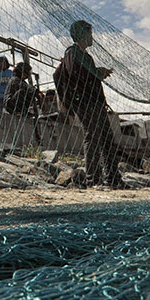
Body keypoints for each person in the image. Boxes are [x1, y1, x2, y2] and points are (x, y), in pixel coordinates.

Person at [55, 20, 123, 188]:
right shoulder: (72, 53)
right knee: (92, 137)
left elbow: (88, 76)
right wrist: (97, 73)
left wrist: (97, 73)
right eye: (89, 34)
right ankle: (93, 179)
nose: (92, 37)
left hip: (96, 102)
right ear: (82, 35)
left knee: (107, 139)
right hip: (85, 103)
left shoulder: (86, 56)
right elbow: (77, 75)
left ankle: (113, 179)